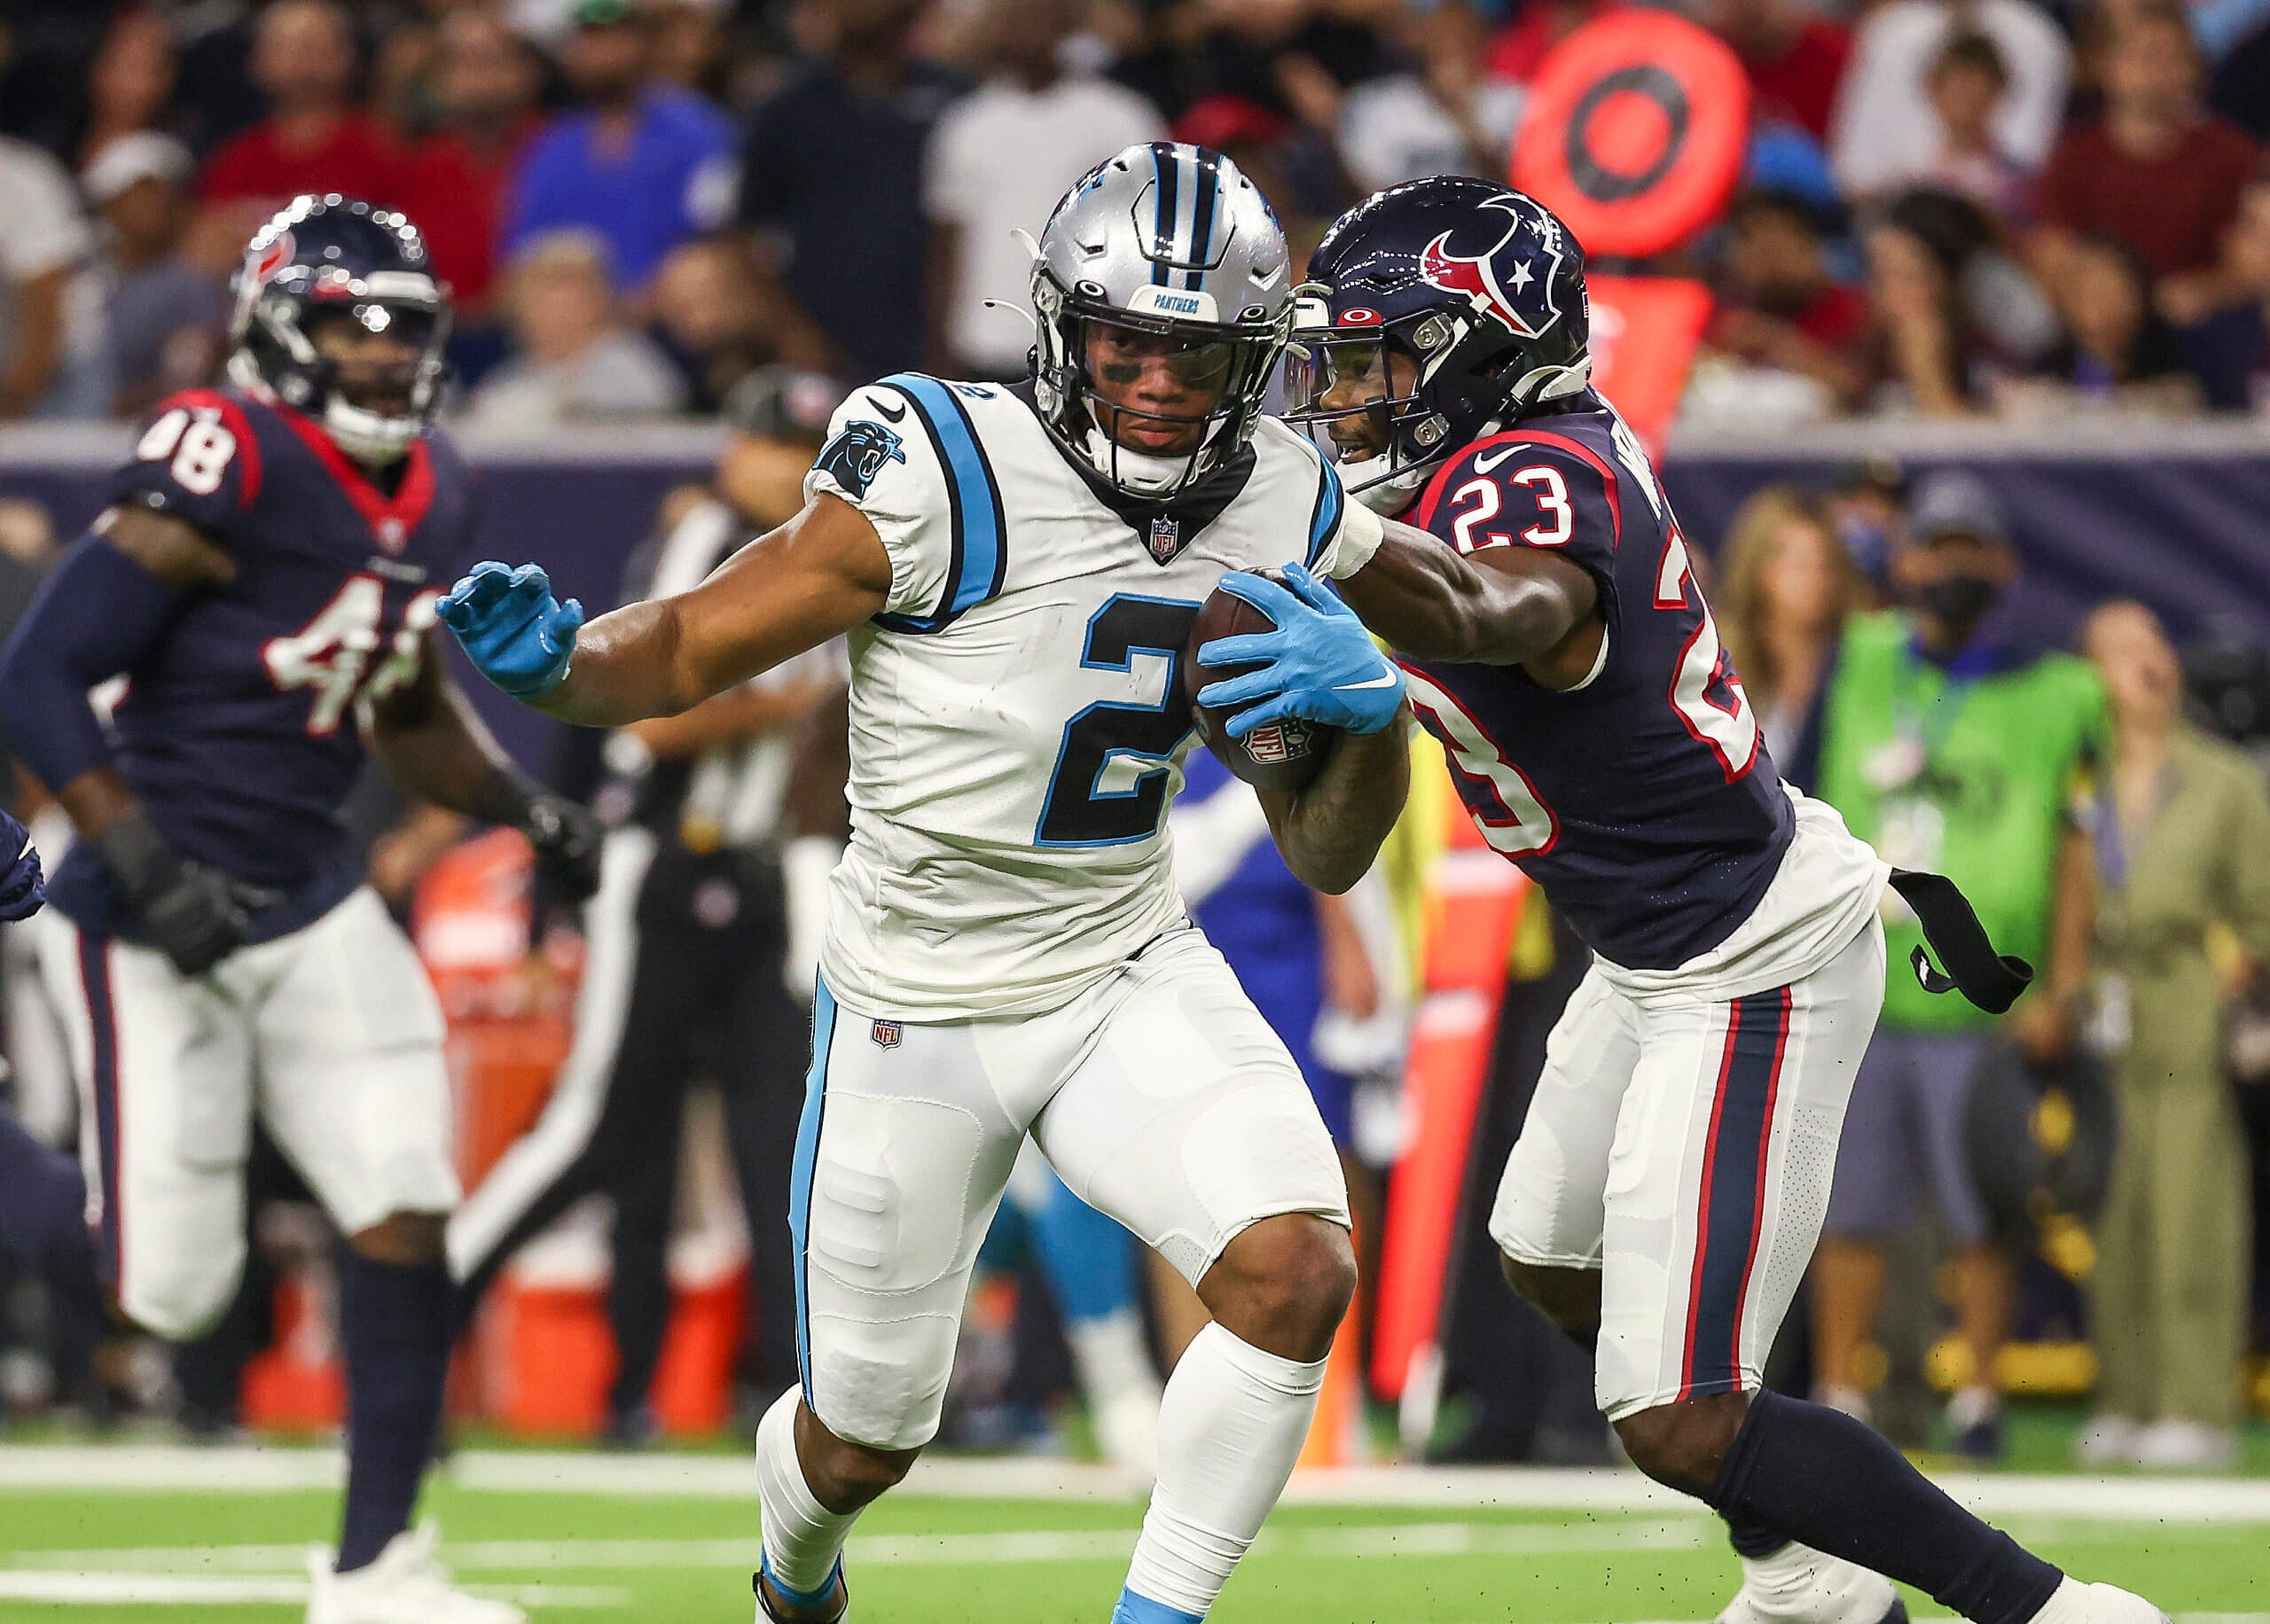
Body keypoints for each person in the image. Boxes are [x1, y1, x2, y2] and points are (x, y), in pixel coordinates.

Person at [441, 143, 1384, 1624]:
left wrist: (1376, 704)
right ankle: (791, 1576)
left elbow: (1335, 835)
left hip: (1120, 963)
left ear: (1252, 362)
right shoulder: (944, 464)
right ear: (1065, 332)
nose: (1153, 382)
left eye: (1195, 355)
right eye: (1128, 341)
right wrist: (568, 666)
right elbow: (692, 641)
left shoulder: (1285, 495)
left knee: (1294, 1267)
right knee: (863, 1435)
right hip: (915, 1002)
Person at [1246, 174, 2165, 1624]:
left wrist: (1350, 564)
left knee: (1669, 1408)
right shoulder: (1436, 493)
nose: (1350, 390)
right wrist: (1310, 718)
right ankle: (1812, 1563)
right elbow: (1330, 850)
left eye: (1383, 353)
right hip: (1649, 952)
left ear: (1483, 347)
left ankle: (2054, 1611)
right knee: (1550, 1259)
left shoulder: (1532, 470)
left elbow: (1513, 610)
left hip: (1752, 951)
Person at [0, 195, 603, 1624]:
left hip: (315, 897)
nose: (388, 354)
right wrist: (143, 866)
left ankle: (377, 1569)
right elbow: (35, 675)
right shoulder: (228, 452)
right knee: (170, 1295)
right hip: (156, 904)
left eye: (408, 325)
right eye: (356, 321)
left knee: (405, 1198)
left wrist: (524, 807)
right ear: (283, 322)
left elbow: (395, 700)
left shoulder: (436, 486)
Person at [447, 365, 849, 1442]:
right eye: (775, 446)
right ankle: (423, 1299)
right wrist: (788, 708)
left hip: (763, 878)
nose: (791, 472)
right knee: (599, 1128)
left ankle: (795, 1391)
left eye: (809, 454)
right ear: (732, 448)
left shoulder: (829, 560)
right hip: (665, 869)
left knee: (783, 1144)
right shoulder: (709, 536)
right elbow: (650, 726)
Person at [1807, 472, 2103, 1462]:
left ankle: (1978, 1396)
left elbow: (2073, 854)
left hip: (1987, 993)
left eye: (1972, 548)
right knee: (1850, 1205)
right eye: (1937, 548)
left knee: (1985, 1208)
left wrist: (2062, 985)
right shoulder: (1858, 660)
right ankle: (1841, 1389)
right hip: (1860, 984)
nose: (1953, 568)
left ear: (2005, 564)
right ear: (1907, 559)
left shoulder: (2059, 691)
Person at [2077, 601, 2270, 1472]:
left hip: (2186, 991)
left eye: (2153, 643)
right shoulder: (2079, 777)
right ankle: (2123, 1390)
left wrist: (2236, 978)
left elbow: (2261, 908)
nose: (2144, 663)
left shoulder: (2222, 777)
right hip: (2098, 995)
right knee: (2110, 1204)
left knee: (2190, 1199)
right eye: (2119, 650)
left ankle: (2194, 1399)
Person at [922, 0, 1163, 379]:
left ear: (1067, 21)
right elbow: (947, 247)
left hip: (1080, 348)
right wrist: (938, 352)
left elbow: (1147, 233)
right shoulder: (967, 123)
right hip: (983, 348)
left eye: (1039, 14)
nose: (1025, 27)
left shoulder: (1121, 118)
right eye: (1013, 15)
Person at [2032, 3, 2259, 324]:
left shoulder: (2233, 158)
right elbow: (2054, 256)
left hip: (2203, 328)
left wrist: (2210, 290)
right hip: (2096, 323)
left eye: (2175, 58)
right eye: (2146, 56)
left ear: (2195, 69)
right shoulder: (2073, 158)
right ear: (2106, 65)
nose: (2159, 72)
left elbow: (2253, 263)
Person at [501, 0, 738, 300]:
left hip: (676, 324)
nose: (603, 52)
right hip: (573, 325)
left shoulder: (699, 132)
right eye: (591, 38)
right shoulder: (550, 148)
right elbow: (520, 256)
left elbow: (719, 241)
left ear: (647, 44)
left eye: (618, 37)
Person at [196, 2, 408, 238]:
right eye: (287, 47)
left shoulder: (384, 152)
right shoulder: (234, 162)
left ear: (349, 57)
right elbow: (207, 251)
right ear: (257, 61)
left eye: (316, 46)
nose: (303, 59)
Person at [1713, 485, 1864, 788]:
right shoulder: (1719, 664)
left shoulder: (1857, 658)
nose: (1813, 579)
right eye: (1797, 564)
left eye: (1825, 564)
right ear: (1757, 568)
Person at [461, 230, 688, 428]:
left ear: (600, 301)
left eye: (572, 295)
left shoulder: (636, 369)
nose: (559, 312)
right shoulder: (505, 384)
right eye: (543, 297)